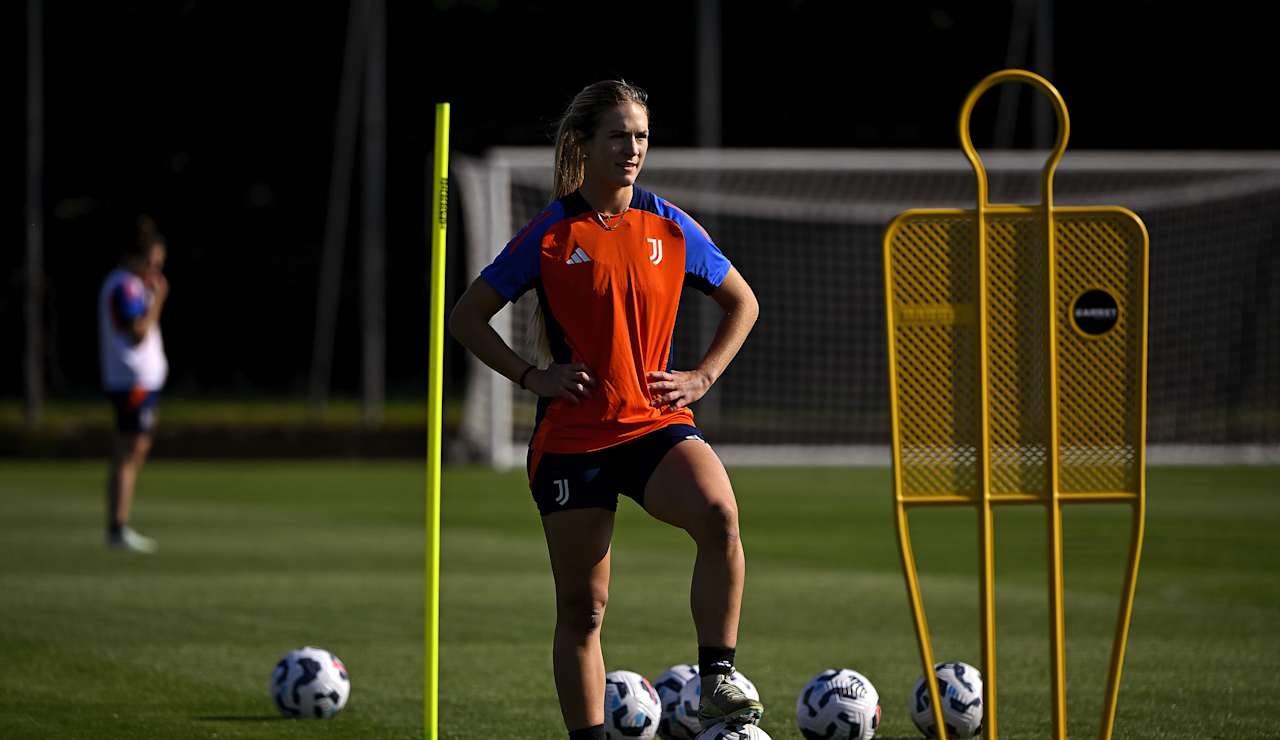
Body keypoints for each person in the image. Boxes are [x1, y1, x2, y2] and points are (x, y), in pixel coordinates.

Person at [449, 80, 762, 739]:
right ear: (582, 145)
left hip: (654, 425)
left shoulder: (670, 224)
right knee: (584, 611)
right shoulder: (551, 233)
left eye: (642, 135)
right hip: (573, 440)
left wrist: (703, 375)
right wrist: (532, 375)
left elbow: (744, 301)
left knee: (720, 515)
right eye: (618, 135)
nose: (633, 148)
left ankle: (717, 681)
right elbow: (468, 317)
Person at [97, 215, 169, 553]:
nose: (156, 272)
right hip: (131, 381)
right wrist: (158, 301)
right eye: (152, 263)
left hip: (139, 380)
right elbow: (138, 333)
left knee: (133, 450)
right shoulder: (125, 285)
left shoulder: (132, 284)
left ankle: (118, 525)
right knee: (128, 450)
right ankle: (117, 527)